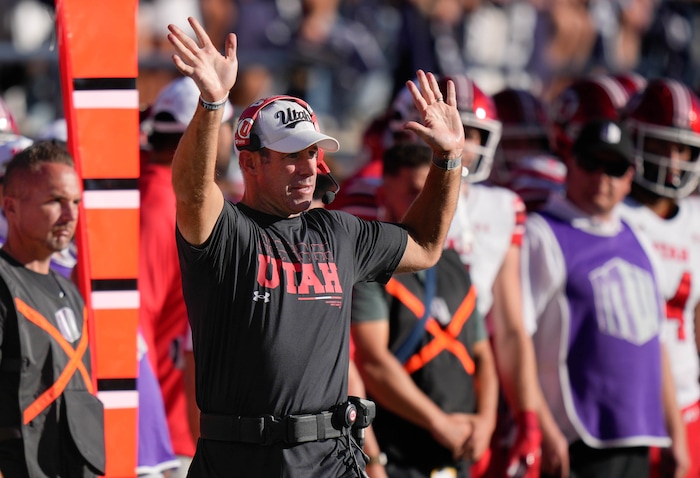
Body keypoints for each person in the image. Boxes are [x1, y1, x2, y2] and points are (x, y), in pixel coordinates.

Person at [166, 16, 465, 478]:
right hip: (241, 461)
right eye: (291, 156)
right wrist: (212, 102)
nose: (308, 168)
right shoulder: (228, 232)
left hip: (331, 459)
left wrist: (448, 159)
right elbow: (191, 192)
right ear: (250, 163)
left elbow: (425, 245)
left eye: (311, 153)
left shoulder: (339, 232)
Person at [520, 119, 689, 478]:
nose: (602, 178)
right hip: (575, 438)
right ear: (570, 163)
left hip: (640, 437)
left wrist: (675, 432)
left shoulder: (637, 237)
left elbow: (656, 342)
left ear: (630, 177)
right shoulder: (542, 234)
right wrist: (543, 428)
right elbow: (515, 342)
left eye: (614, 168)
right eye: (590, 163)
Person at [351, 142, 499, 477]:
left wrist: (486, 421)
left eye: (433, 191)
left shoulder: (455, 263)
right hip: (399, 454)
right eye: (414, 192)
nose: (426, 201)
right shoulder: (370, 268)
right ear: (384, 194)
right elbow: (372, 362)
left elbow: (482, 353)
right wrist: (440, 423)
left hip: (458, 449)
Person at [139, 74, 235, 478]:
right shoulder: (158, 204)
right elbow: (133, 333)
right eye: (226, 125)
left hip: (184, 433)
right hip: (169, 441)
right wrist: (149, 446)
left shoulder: (171, 199)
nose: (231, 139)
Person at [0, 140, 105, 477]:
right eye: (55, 201)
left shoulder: (71, 293)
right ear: (11, 207)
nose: (70, 215)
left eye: (75, 202)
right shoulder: (3, 284)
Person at [618, 78, 700, 478]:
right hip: (627, 402)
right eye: (661, 144)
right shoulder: (613, 214)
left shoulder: (696, 219)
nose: (673, 159)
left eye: (682, 148)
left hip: (687, 398)